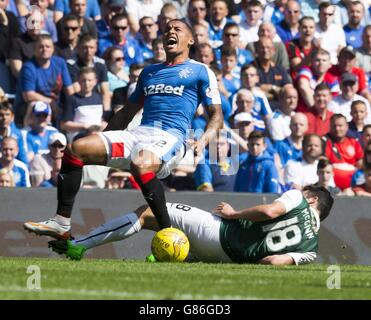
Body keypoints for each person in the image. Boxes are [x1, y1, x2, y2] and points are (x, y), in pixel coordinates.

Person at [24, 19, 223, 240]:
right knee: (75, 149)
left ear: (191, 40)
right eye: (167, 30)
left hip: (171, 137)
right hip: (138, 133)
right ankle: (61, 223)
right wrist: (105, 140)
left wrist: (203, 140)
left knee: (141, 163)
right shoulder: (149, 72)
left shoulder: (201, 71)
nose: (170, 33)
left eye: (177, 29)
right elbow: (127, 113)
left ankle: (169, 233)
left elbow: (216, 116)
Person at [48, 185, 334, 265]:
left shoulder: (298, 197)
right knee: (185, 248)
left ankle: (78, 246)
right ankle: (172, 257)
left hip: (219, 232)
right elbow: (271, 262)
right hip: (229, 259)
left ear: (311, 198)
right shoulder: (312, 249)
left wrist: (234, 216)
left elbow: (271, 212)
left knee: (148, 213)